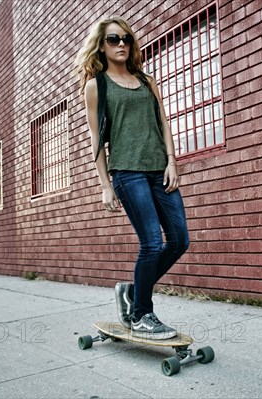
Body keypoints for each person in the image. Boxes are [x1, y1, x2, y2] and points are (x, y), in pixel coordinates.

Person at [75, 16, 190, 340]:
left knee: (180, 240)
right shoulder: (96, 86)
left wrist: (172, 161)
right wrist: (105, 186)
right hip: (127, 172)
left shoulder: (146, 80)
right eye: (113, 39)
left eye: (126, 38)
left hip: (159, 169)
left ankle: (132, 290)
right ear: (101, 45)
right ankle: (141, 314)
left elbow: (163, 123)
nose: (121, 44)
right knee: (152, 243)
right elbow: (97, 140)